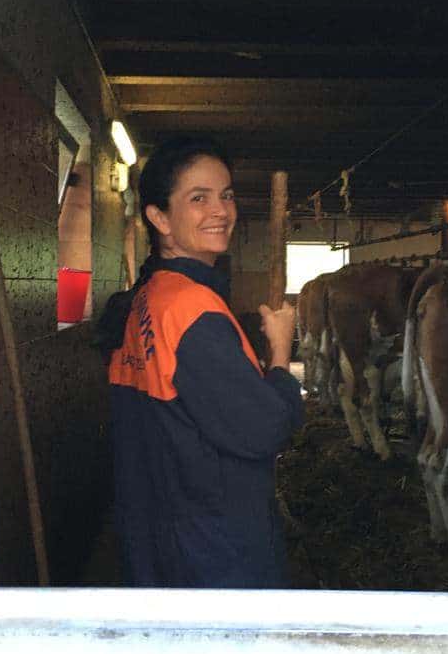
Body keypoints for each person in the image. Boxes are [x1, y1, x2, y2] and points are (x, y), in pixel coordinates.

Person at [95, 136, 304, 589]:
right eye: (198, 198)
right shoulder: (192, 311)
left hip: (162, 531)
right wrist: (281, 353)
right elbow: (265, 429)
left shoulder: (148, 298)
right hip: (217, 550)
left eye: (226, 195)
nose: (220, 211)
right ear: (159, 218)